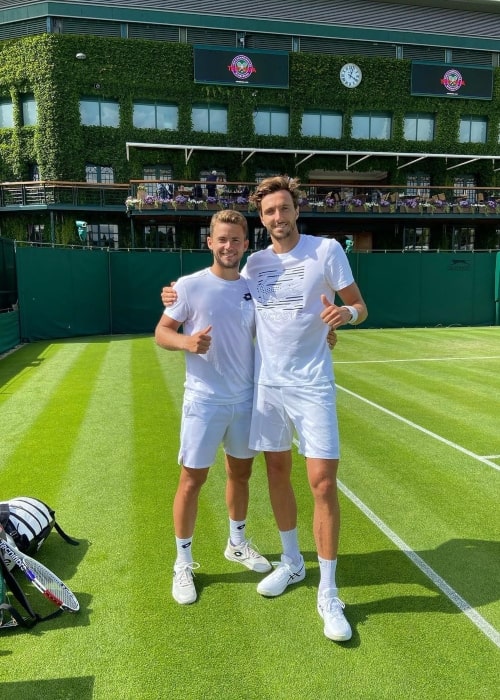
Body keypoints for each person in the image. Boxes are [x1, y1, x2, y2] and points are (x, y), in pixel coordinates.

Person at [162, 177, 366, 641]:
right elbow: (221, 289)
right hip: (266, 389)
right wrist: (172, 296)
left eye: (285, 208)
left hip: (312, 385)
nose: (278, 217)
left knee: (322, 482)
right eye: (270, 211)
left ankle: (328, 592)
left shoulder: (327, 250)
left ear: (297, 210)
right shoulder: (254, 264)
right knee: (274, 473)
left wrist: (344, 317)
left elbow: (359, 305)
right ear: (263, 218)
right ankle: (293, 562)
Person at [155, 210, 271, 606]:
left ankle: (236, 543)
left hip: (245, 399)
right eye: (222, 239)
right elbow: (162, 332)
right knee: (192, 480)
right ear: (210, 242)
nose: (228, 246)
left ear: (245, 244)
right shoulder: (188, 287)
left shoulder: (255, 287)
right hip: (203, 401)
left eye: (236, 240)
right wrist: (187, 343)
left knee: (241, 473)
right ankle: (182, 562)